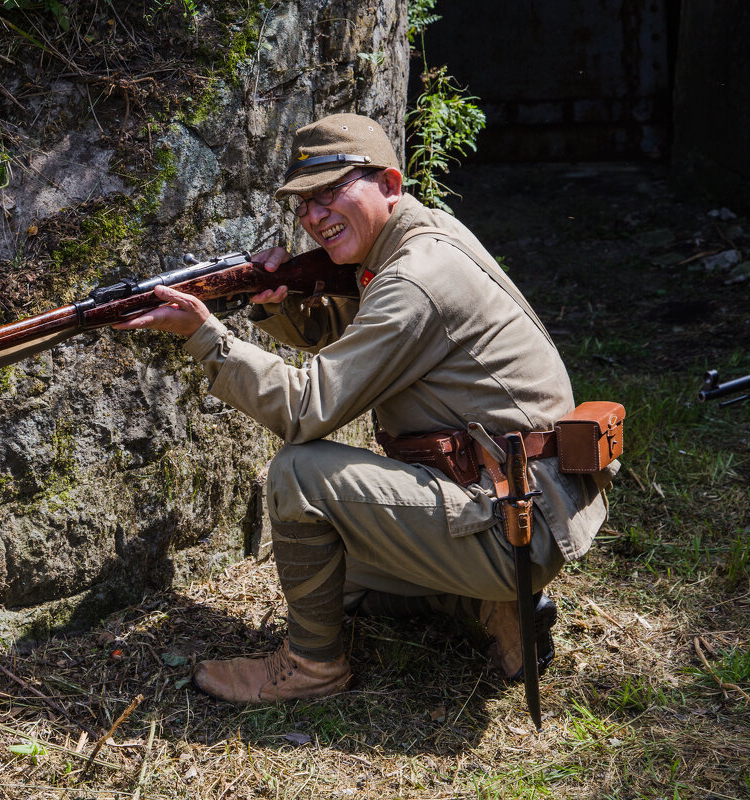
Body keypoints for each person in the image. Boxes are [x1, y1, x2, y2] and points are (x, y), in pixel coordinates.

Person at [113, 113, 614, 703]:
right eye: (303, 203)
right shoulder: (425, 236)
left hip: (519, 523)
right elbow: (360, 330)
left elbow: (306, 408)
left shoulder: (415, 280)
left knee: (298, 476)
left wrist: (205, 336)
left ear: (391, 184)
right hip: (530, 498)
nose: (314, 216)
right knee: (329, 574)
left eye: (331, 193)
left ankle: (312, 668)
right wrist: (275, 302)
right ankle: (496, 606)